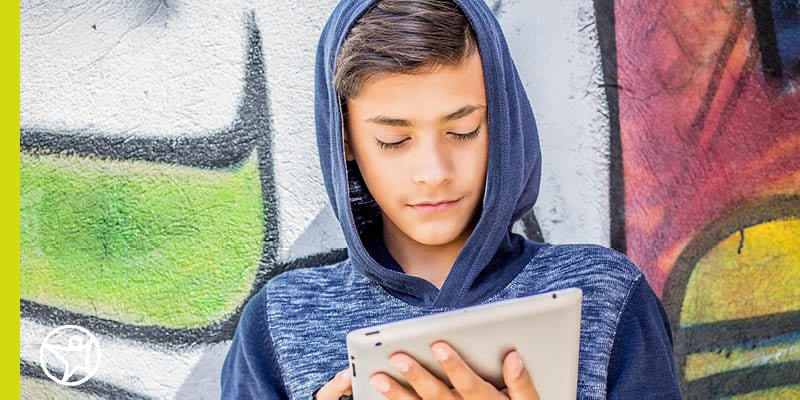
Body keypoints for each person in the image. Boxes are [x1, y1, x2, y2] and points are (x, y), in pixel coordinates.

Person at [221, 0, 681, 399]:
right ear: (345, 139)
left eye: (463, 131)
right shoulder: (279, 325)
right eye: (394, 139)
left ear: (501, 121)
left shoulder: (605, 297)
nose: (434, 172)